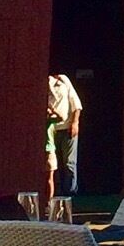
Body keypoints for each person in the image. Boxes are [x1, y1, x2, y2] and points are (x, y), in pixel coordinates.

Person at [44, 68, 82, 212]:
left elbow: (76, 104)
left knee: (69, 163)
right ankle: (55, 199)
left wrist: (75, 122)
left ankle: (70, 197)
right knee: (53, 165)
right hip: (50, 129)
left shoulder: (63, 80)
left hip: (66, 128)